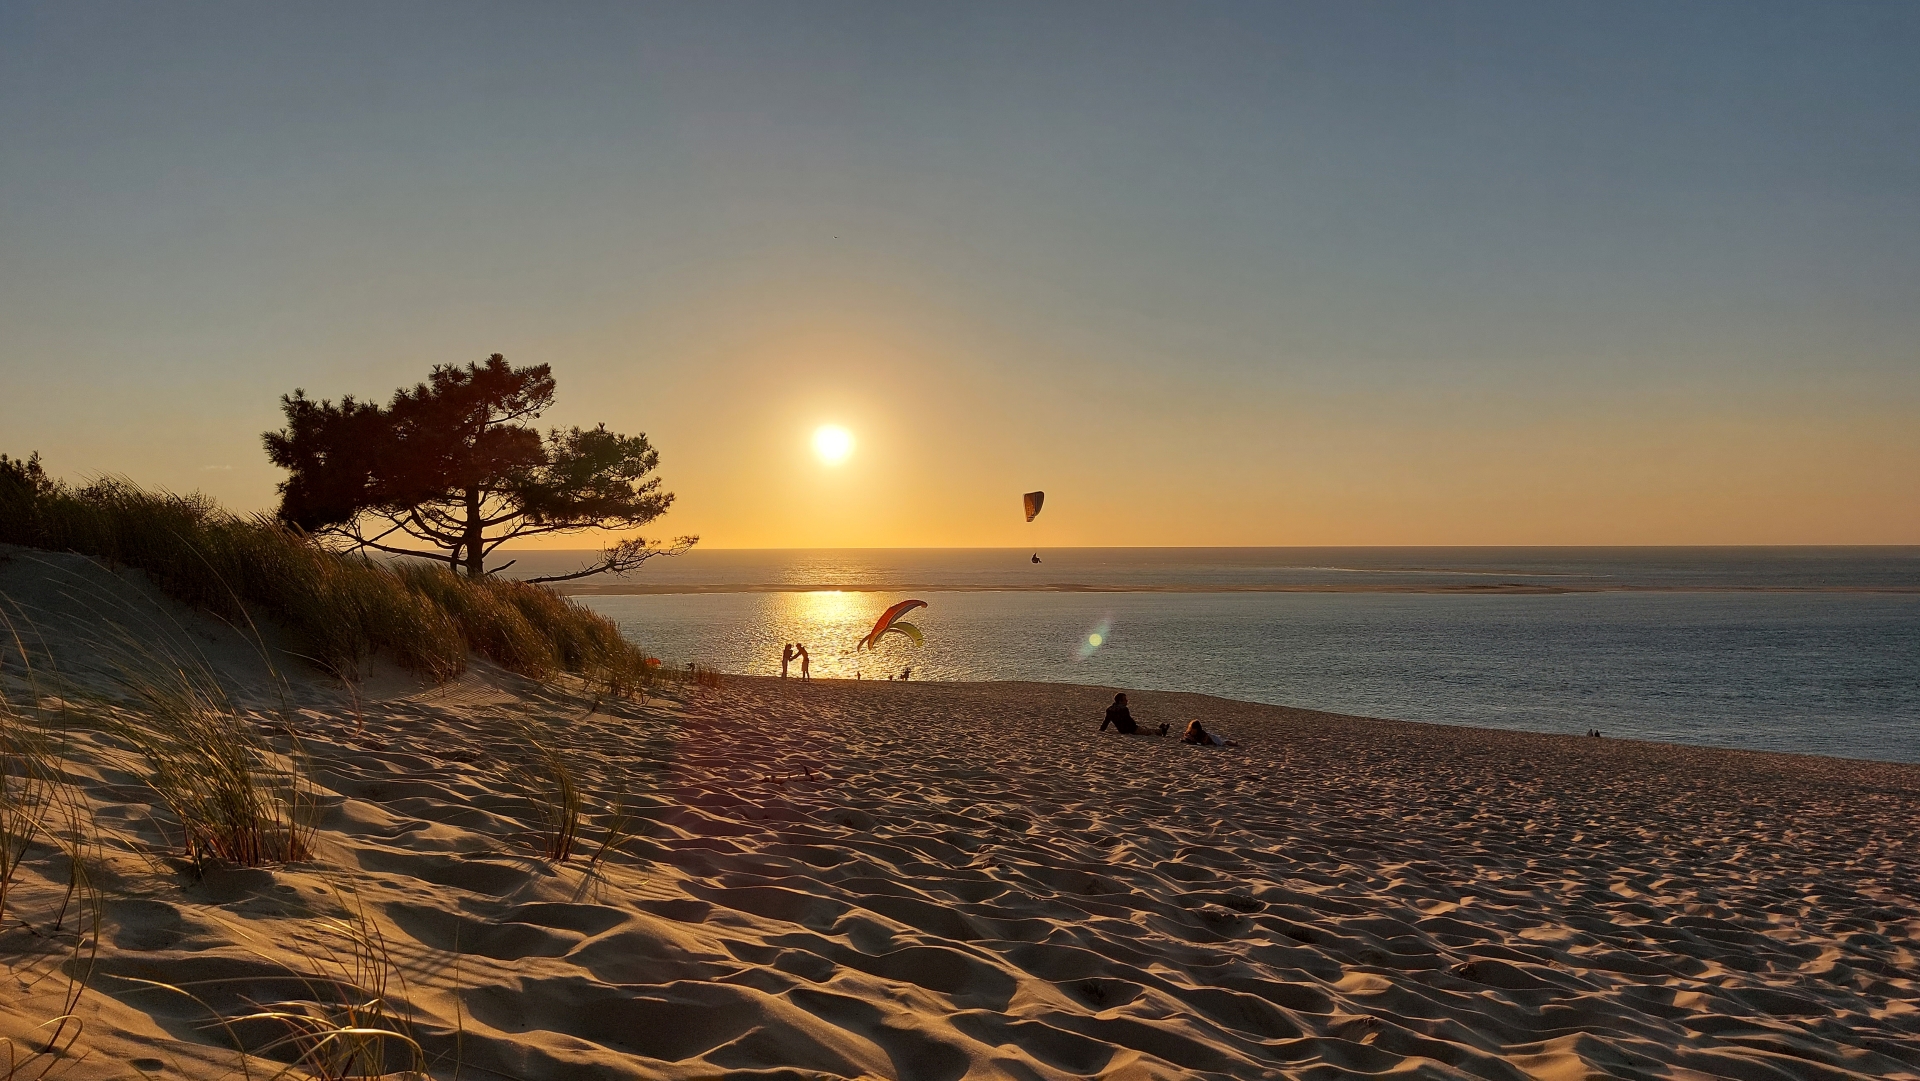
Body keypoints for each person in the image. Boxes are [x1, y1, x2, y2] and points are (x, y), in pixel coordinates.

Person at [1099, 693, 1168, 736]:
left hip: (1121, 730)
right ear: (1120, 701)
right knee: (1148, 731)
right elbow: (1129, 721)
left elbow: (1106, 722)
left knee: (1146, 729)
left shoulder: (1110, 709)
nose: (1127, 701)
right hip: (1130, 730)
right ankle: (1161, 730)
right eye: (1125, 699)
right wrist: (1135, 727)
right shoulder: (1124, 709)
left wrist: (1101, 730)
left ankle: (1160, 729)